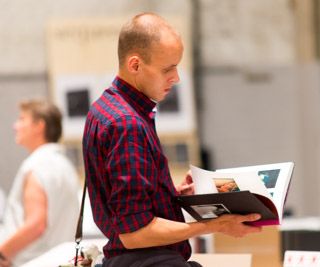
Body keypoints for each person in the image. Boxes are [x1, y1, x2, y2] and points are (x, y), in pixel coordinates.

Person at [82, 12, 262, 267]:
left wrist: (170, 194)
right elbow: (134, 234)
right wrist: (215, 225)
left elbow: (124, 203)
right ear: (135, 65)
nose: (176, 78)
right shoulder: (126, 124)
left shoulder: (105, 109)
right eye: (168, 69)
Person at [0, 100, 80, 267]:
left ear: (39, 126)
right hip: (61, 259)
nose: (15, 126)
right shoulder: (65, 165)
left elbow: (36, 224)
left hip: (34, 261)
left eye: (22, 119)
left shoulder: (37, 165)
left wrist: (2, 253)